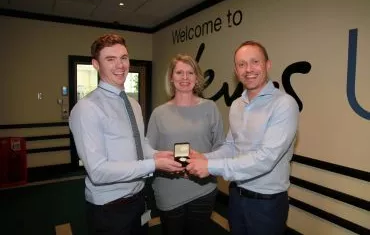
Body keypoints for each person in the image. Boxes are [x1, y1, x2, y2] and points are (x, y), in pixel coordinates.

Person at [69, 34, 184, 235]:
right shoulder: (87, 108)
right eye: (110, 59)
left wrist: (157, 155)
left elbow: (140, 144)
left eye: (123, 58)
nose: (120, 65)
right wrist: (153, 165)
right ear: (96, 64)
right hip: (110, 208)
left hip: (138, 198)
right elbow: (97, 171)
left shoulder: (133, 103)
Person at [186, 41, 299, 235]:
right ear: (236, 70)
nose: (248, 69)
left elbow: (266, 159)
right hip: (237, 198)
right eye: (241, 64)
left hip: (267, 204)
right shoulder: (238, 104)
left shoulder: (284, 104)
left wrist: (211, 167)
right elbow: (231, 146)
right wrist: (205, 158)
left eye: (255, 62)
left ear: (267, 65)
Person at [146, 54, 225, 235]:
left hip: (203, 189)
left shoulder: (210, 108)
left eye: (190, 73)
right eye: (179, 72)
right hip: (168, 190)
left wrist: (205, 161)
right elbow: (149, 151)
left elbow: (221, 146)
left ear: (197, 78)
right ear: (171, 78)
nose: (184, 78)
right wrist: (164, 162)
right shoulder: (159, 113)